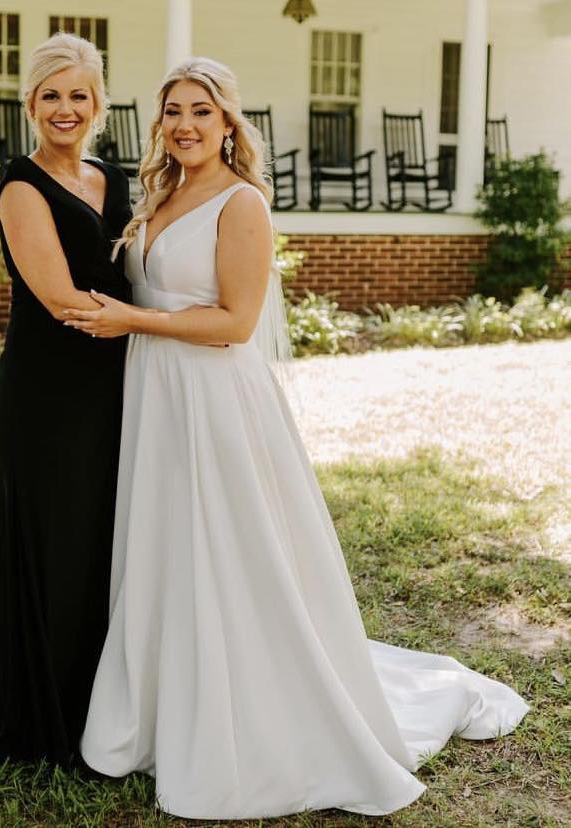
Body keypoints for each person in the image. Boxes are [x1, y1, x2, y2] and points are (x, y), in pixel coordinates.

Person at [64, 58, 529, 819]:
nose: (184, 124)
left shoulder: (242, 202)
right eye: (172, 111)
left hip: (214, 398)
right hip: (157, 397)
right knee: (168, 546)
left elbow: (234, 324)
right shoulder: (161, 194)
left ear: (227, 124)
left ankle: (247, 707)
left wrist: (130, 322)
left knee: (228, 548)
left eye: (201, 112)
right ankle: (159, 706)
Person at [0, 32, 132, 767]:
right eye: (52, 95)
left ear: (99, 103)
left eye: (79, 95)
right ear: (31, 105)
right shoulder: (21, 186)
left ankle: (104, 715)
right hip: (45, 397)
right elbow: (60, 299)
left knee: (104, 549)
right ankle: (43, 727)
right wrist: (152, 325)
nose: (66, 109)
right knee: (54, 551)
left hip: (118, 392)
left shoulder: (118, 179)